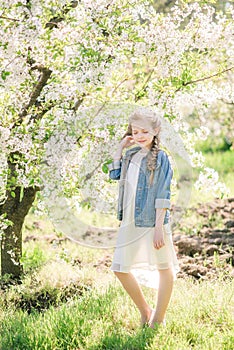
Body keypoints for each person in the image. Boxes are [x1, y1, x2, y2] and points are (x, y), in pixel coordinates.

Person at [107, 108, 180, 329]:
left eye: (144, 131)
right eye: (135, 131)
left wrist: (159, 227)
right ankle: (145, 310)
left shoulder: (161, 158)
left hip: (152, 221)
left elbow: (163, 195)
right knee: (120, 268)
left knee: (163, 266)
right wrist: (120, 148)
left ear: (156, 131)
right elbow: (114, 175)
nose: (139, 136)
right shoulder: (130, 155)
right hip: (130, 220)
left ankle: (158, 318)